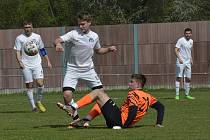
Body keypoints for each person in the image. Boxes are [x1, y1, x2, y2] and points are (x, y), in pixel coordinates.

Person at [54, 12, 117, 121]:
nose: (80, 26)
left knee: (101, 94)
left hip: (88, 70)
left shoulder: (94, 36)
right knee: (67, 95)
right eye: (79, 24)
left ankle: (89, 118)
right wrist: (58, 44)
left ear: (89, 23)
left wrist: (108, 49)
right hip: (72, 69)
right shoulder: (73, 34)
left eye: (83, 24)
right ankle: (76, 119)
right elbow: (57, 40)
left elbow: (98, 50)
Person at [57, 74, 165, 129]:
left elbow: (133, 110)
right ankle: (86, 120)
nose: (129, 84)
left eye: (131, 82)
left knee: (98, 92)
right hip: (120, 120)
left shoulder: (133, 93)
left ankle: (73, 107)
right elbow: (161, 107)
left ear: (138, 84)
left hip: (119, 121)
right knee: (102, 101)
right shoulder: (148, 96)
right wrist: (158, 124)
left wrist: (125, 126)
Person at [14, 21, 52, 112]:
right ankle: (33, 107)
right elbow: (17, 51)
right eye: (25, 27)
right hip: (25, 65)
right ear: (23, 28)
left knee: (40, 83)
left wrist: (48, 61)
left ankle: (39, 101)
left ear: (32, 27)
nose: (27, 29)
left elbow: (42, 49)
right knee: (29, 85)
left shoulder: (37, 37)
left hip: (37, 64)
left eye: (29, 27)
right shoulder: (19, 38)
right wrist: (20, 62)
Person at [175, 28, 195, 100]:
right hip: (180, 61)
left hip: (188, 62)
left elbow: (189, 51)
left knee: (188, 78)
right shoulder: (181, 40)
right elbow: (176, 50)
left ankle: (187, 95)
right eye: (186, 33)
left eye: (189, 33)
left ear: (191, 34)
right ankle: (177, 95)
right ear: (184, 34)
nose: (188, 34)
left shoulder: (191, 41)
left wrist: (191, 59)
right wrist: (180, 58)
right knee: (179, 77)